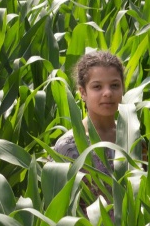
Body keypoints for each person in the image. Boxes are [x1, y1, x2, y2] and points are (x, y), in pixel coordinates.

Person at [52, 50, 125, 207]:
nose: (108, 93)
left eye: (114, 85)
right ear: (83, 92)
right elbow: (57, 207)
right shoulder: (69, 146)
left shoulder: (133, 138)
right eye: (97, 87)